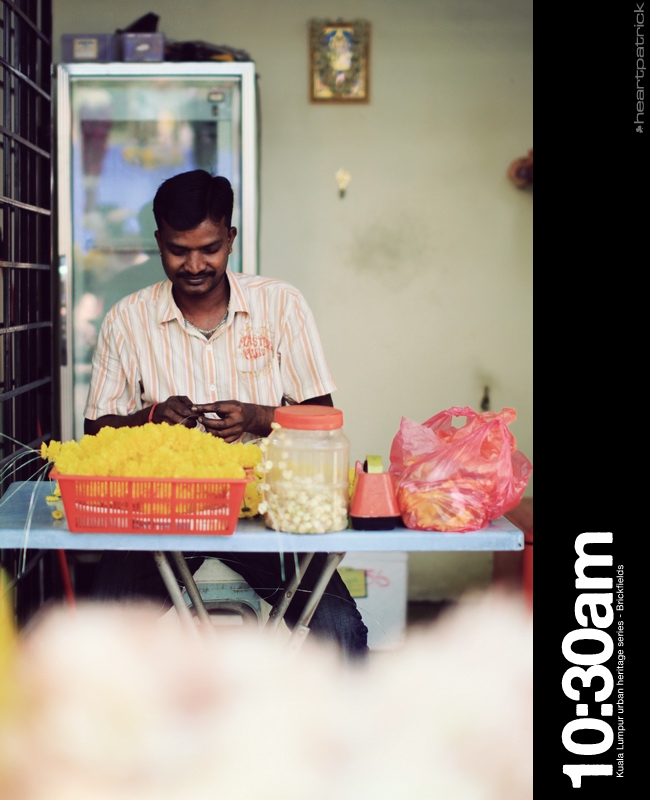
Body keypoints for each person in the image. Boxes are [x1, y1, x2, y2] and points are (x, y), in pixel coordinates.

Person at [84, 169, 368, 661]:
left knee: (340, 630)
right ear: (158, 242)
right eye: (178, 250)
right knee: (99, 633)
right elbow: (94, 433)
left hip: (266, 515)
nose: (194, 265)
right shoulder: (127, 320)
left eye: (209, 248)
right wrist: (151, 417)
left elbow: (325, 418)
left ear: (231, 238)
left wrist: (259, 418)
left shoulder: (280, 305)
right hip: (161, 515)